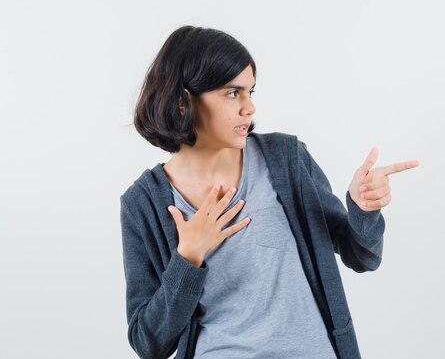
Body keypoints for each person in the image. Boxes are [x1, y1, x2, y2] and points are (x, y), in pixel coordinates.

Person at [120, 25, 419, 359]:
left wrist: (363, 209)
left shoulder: (287, 160)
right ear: (182, 102)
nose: (249, 108)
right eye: (233, 93)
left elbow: (361, 256)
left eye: (250, 92)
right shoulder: (142, 205)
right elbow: (148, 343)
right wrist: (188, 257)